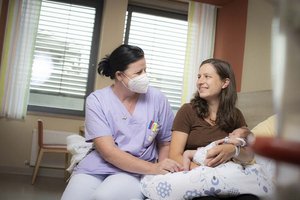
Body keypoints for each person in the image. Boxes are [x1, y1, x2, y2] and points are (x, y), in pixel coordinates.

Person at [61, 44, 181, 200]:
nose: (144, 76)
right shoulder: (97, 100)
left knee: (104, 197)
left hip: (135, 170)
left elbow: (165, 143)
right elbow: (108, 152)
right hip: (97, 166)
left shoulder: (157, 99)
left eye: (145, 70)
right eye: (138, 72)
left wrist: (158, 172)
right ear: (119, 75)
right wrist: (154, 168)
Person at [140, 59, 272, 200]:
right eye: (199, 76)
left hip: (229, 177)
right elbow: (175, 156)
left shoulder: (235, 115)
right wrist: (204, 173)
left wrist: (234, 150)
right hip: (197, 175)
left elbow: (249, 155)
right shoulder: (187, 111)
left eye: (207, 76)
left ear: (225, 83)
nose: (200, 81)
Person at [182, 127, 252, 171]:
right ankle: (185, 169)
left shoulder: (237, 142)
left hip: (210, 158)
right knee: (186, 153)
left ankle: (201, 170)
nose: (230, 133)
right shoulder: (228, 140)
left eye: (233, 134)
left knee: (209, 163)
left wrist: (226, 141)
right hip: (203, 151)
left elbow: (239, 142)